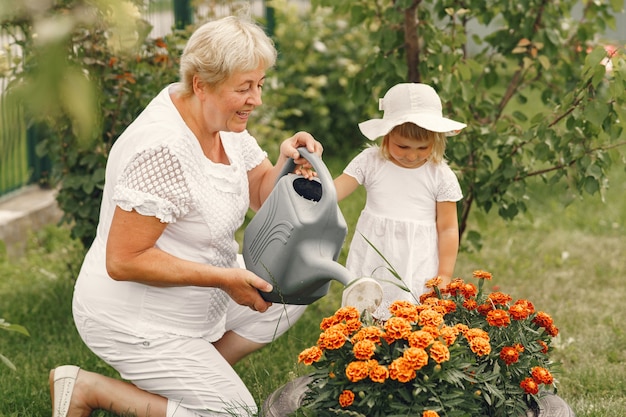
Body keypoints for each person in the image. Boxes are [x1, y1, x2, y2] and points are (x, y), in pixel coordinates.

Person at [49, 14, 324, 417]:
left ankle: (184, 381)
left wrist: (285, 164)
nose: (257, 99)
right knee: (233, 412)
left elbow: (261, 194)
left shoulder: (221, 121)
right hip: (135, 316)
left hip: (195, 295)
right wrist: (226, 278)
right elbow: (124, 260)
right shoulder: (162, 149)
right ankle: (89, 389)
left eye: (259, 85)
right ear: (201, 83)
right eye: (245, 87)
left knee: (295, 288)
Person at [335, 83, 466, 319]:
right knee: (367, 310)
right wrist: (313, 183)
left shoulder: (440, 174)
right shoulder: (371, 162)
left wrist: (445, 274)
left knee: (411, 315)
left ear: (436, 141)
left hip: (416, 258)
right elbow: (335, 191)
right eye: (402, 146)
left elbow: (448, 228)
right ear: (387, 135)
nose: (411, 155)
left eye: (422, 147)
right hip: (375, 250)